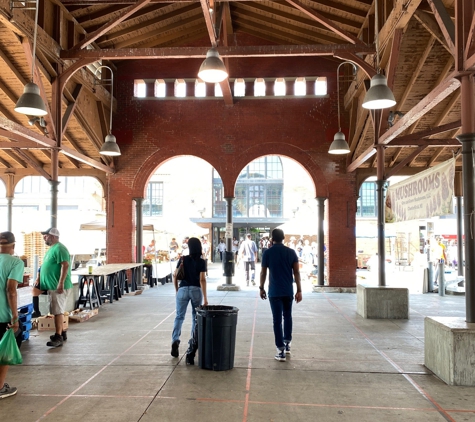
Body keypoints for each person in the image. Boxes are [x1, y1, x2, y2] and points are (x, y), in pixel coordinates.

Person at [259, 228, 302, 362]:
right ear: (283, 238)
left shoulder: (268, 253)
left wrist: (261, 287)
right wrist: (299, 290)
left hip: (274, 292)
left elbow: (263, 273)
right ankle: (287, 342)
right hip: (288, 291)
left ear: (272, 239)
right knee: (287, 316)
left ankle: (280, 350)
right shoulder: (291, 252)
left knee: (277, 320)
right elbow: (296, 272)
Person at [32, 228, 72, 348]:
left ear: (53, 236)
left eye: (46, 235)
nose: (44, 237)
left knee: (57, 311)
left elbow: (65, 265)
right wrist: (39, 278)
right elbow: (44, 266)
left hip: (57, 285)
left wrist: (61, 283)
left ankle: (58, 336)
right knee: (54, 309)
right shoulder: (51, 249)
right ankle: (62, 332)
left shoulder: (60, 248)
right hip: (50, 285)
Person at [171, 237, 208, 365]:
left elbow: (175, 275)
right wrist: (206, 298)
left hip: (182, 289)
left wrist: (177, 290)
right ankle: (191, 346)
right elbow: (202, 280)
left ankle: (175, 340)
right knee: (195, 318)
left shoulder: (183, 259)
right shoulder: (202, 262)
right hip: (196, 290)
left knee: (179, 316)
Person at [0, 231, 24, 399]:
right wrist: (15, 318)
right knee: (4, 352)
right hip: (3, 316)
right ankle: (0, 388)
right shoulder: (16, 262)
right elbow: (11, 290)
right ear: (13, 246)